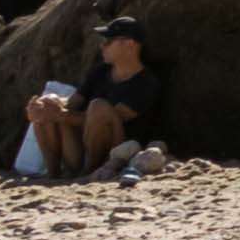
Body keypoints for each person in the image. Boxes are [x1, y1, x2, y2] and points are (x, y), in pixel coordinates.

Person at [50, 18, 164, 182]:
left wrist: (62, 115)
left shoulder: (146, 82)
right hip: (84, 144)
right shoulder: (100, 72)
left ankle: (88, 172)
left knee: (99, 107)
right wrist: (51, 105)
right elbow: (71, 104)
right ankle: (52, 174)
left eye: (108, 41)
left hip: (118, 152)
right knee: (49, 104)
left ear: (130, 44)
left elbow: (111, 117)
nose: (102, 46)